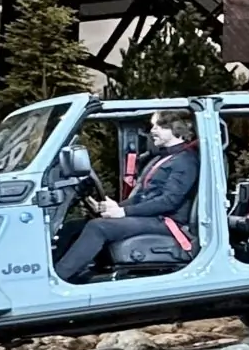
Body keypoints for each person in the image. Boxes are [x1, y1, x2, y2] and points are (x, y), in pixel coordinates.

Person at [54, 113, 199, 282]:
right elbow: (144, 196)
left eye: (159, 126)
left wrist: (124, 212)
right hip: (154, 216)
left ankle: (58, 279)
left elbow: (168, 202)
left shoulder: (185, 161)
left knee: (98, 227)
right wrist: (114, 207)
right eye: (153, 126)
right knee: (73, 226)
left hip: (167, 221)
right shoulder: (164, 158)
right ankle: (58, 271)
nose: (153, 130)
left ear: (176, 129)